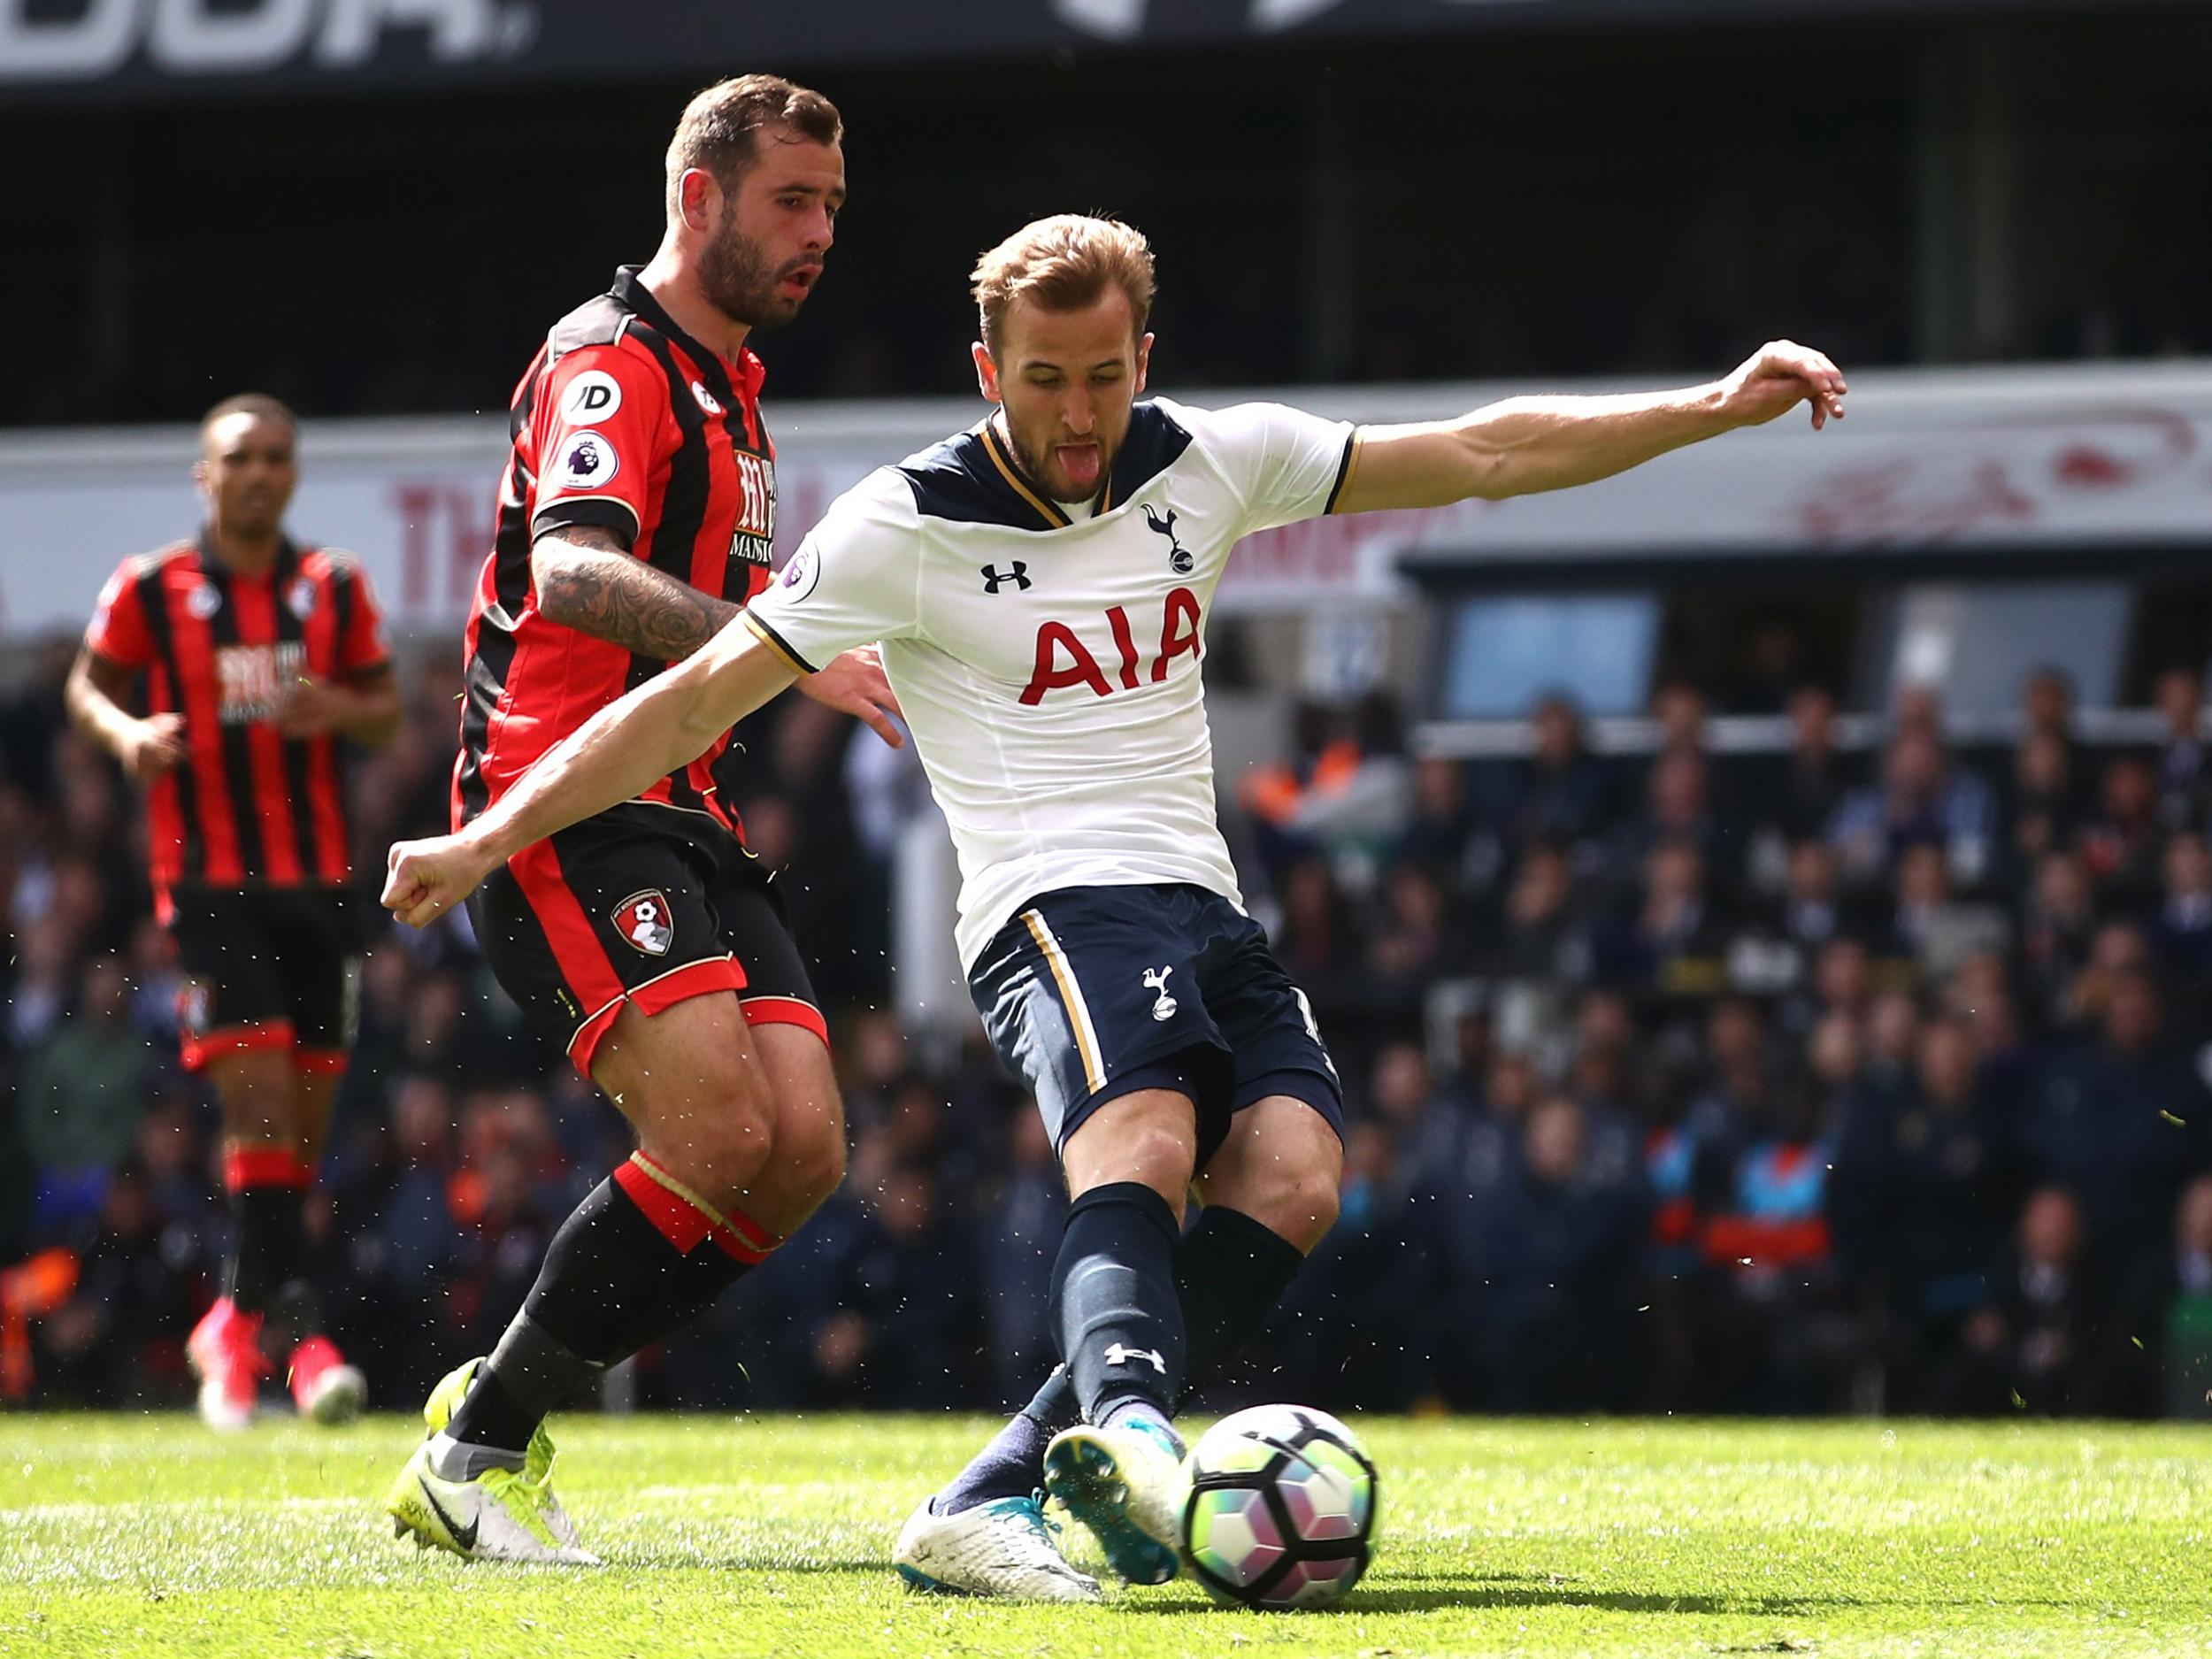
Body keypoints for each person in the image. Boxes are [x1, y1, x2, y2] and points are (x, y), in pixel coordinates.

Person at [381, 213, 1847, 1594]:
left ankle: (995, 1493)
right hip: (1049, 904)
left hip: (1201, 900)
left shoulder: (1212, 460)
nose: (1076, 418)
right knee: (1138, 1148)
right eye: (1042, 383)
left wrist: (1713, 405)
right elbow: (684, 701)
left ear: (1142, 357)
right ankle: (1138, 1438)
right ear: (987, 371)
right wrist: (486, 837)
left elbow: (1480, 452)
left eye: (1101, 378)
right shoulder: (905, 523)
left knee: (1291, 1180)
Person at [381, 73, 900, 1566]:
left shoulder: (736, 391)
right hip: (563, 805)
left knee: (798, 1150)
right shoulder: (612, 358)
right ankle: (480, 1457)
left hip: (685, 811)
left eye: (832, 209)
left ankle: (498, 1400)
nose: (818, 235)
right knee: (718, 1123)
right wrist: (776, 639)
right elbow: (573, 576)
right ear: (697, 196)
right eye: (791, 201)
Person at [65, 393, 400, 1429]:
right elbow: (89, 686)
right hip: (211, 887)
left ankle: (238, 1324)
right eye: (238, 458)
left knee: (294, 1143)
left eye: (275, 458)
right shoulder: (151, 590)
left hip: (322, 892)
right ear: (205, 477)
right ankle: (301, 1339)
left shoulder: (331, 588)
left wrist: (338, 709)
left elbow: (387, 718)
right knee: (256, 1111)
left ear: (292, 476)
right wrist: (127, 736)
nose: (258, 474)